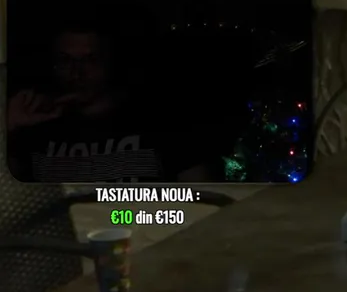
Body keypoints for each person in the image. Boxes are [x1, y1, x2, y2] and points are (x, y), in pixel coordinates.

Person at [6, 21, 219, 184]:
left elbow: (203, 203)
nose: (77, 73)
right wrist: (7, 127)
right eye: (66, 60)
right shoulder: (35, 128)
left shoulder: (162, 123)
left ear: (110, 63)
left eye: (90, 60)